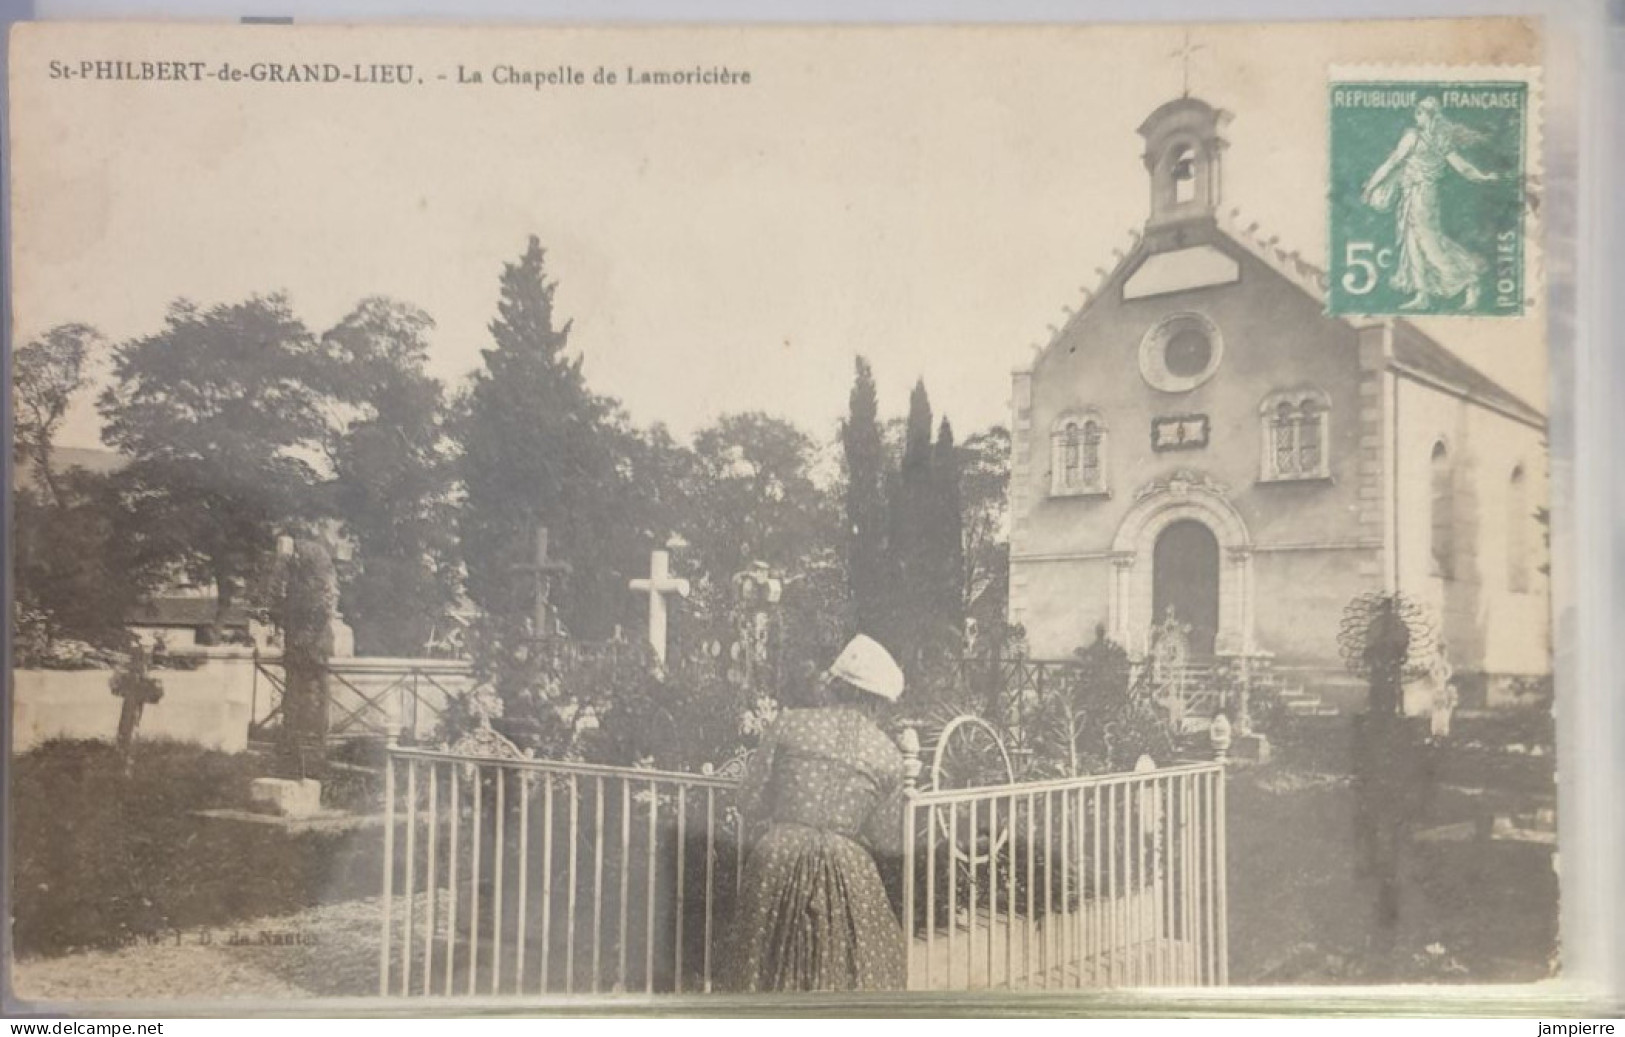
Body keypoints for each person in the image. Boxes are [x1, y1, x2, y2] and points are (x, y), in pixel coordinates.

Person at [727, 634, 908, 992]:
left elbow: (749, 802)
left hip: (778, 855)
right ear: (879, 703)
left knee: (760, 973)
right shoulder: (889, 755)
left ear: (835, 685)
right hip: (849, 868)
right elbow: (887, 839)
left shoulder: (790, 723)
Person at [1361, 96, 1499, 311]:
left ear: (1430, 116)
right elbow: (1394, 163)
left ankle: (1469, 281)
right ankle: (1422, 294)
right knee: (1412, 243)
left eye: (1420, 113)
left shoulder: (1424, 139)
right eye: (1417, 112)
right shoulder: (1430, 140)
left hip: (1423, 196)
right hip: (1411, 195)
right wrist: (1483, 177)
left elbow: (1392, 163)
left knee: (1430, 244)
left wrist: (1371, 186)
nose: (1417, 116)